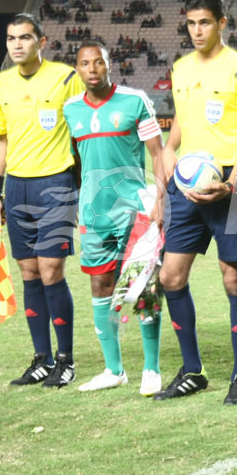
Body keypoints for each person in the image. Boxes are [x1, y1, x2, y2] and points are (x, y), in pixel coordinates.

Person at [154, 0, 237, 404]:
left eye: (205, 23)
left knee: (233, 278)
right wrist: (168, 149)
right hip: (185, 187)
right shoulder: (180, 69)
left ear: (222, 24)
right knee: (170, 277)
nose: (197, 30)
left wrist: (233, 185)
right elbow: (181, 119)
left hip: (227, 187)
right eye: (191, 23)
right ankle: (192, 370)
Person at [63, 41, 165, 395]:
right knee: (100, 288)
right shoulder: (70, 110)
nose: (92, 69)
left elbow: (158, 154)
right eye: (84, 63)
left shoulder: (134, 102)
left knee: (144, 288)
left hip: (136, 211)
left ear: (109, 66)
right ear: (77, 69)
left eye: (98, 63)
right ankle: (114, 369)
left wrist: (160, 199)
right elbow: (76, 163)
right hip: (94, 214)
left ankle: (151, 369)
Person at [0, 13, 84, 388]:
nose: (16, 44)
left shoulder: (65, 78)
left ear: (41, 42)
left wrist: (83, 183)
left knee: (51, 272)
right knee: (29, 273)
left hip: (56, 185)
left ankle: (66, 360)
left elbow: (82, 129)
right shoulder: (0, 84)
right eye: (11, 38)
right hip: (17, 188)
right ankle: (41, 359)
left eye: (24, 38)